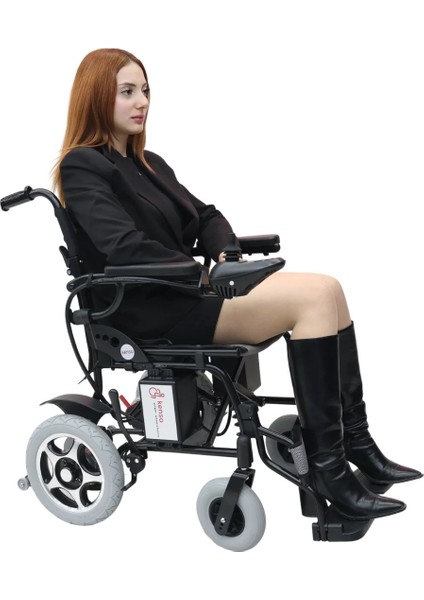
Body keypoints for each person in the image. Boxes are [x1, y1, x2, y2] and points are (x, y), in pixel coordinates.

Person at [54, 48, 421, 522]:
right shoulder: (82, 166)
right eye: (127, 92)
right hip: (152, 308)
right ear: (95, 97)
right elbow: (123, 246)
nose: (142, 101)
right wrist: (202, 274)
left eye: (144, 90)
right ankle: (329, 471)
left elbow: (206, 216)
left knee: (330, 288)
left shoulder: (150, 163)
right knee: (312, 299)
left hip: (187, 292)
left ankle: (356, 441)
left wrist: (225, 254)